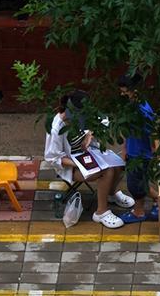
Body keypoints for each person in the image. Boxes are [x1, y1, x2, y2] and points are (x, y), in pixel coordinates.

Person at [44, 90, 134, 229]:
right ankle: (101, 212)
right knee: (107, 171)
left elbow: (104, 121)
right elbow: (52, 158)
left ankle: (111, 192)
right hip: (70, 165)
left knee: (120, 164)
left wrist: (90, 135)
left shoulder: (86, 113)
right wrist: (78, 163)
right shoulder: (56, 127)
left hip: (90, 153)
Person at [118, 73, 160, 224]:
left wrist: (154, 153)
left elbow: (152, 134)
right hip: (134, 150)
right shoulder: (134, 106)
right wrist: (124, 149)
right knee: (140, 181)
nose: (122, 94)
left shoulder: (142, 111)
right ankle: (159, 199)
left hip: (141, 154)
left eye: (125, 91)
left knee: (135, 184)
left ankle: (139, 212)